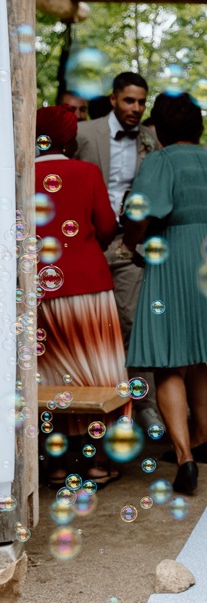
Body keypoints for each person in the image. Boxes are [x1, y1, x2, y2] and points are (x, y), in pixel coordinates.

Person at [124, 93, 207, 495]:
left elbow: (143, 212)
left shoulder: (161, 160)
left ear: (159, 126)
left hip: (173, 254)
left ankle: (184, 458)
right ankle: (203, 435)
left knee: (168, 361)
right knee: (198, 353)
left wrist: (130, 243)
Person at [35, 105, 125, 487]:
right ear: (71, 139)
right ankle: (98, 462)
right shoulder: (87, 172)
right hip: (89, 285)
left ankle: (56, 466)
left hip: (42, 286)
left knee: (50, 375)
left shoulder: (24, 175)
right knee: (99, 373)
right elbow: (106, 226)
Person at [75, 72, 159, 429]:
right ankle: (92, 405)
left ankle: (145, 405)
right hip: (89, 241)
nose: (136, 109)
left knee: (133, 321)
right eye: (129, 101)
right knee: (91, 325)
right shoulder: (84, 134)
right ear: (113, 99)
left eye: (141, 102)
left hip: (130, 243)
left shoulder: (151, 140)